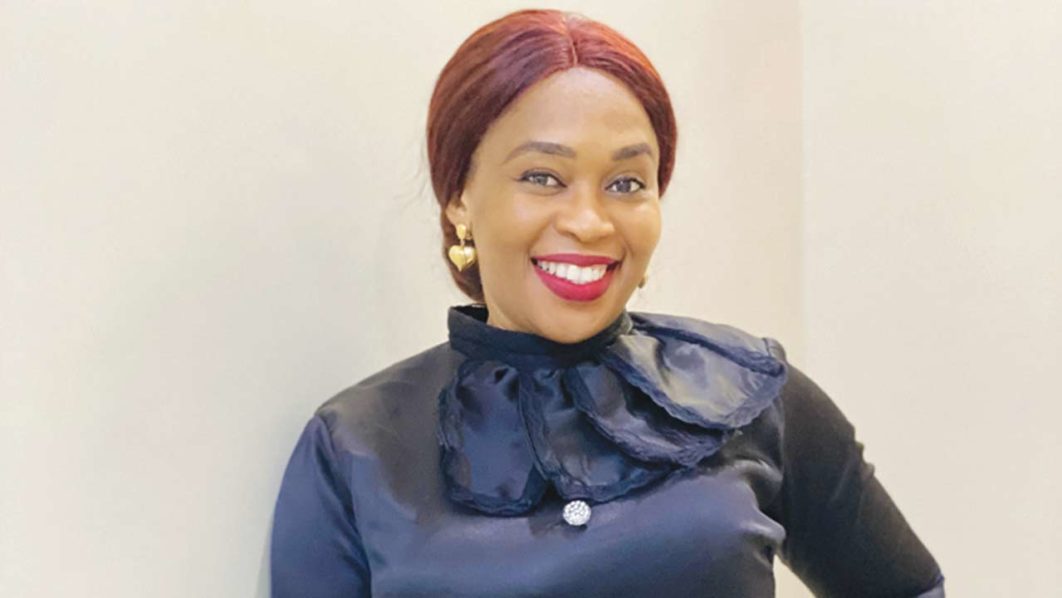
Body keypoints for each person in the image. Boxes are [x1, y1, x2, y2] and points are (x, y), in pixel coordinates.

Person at [269, 9, 944, 597]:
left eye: (626, 183)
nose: (590, 222)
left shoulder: (753, 398)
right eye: (543, 176)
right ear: (459, 199)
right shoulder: (356, 447)